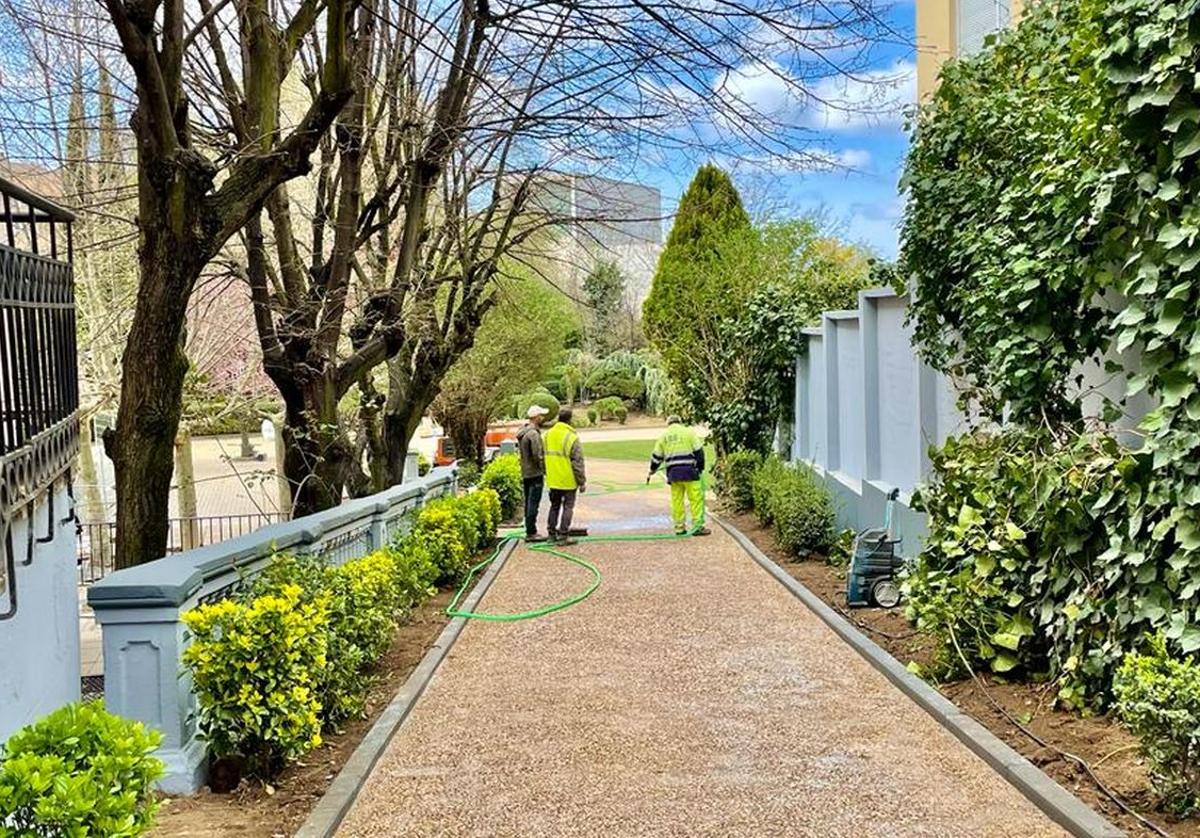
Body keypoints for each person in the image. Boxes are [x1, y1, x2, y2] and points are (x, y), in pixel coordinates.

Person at [648, 415, 710, 536]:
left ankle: (679, 528)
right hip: (690, 472)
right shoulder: (688, 432)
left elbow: (656, 456)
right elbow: (699, 451)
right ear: (679, 422)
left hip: (674, 474)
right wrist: (700, 467)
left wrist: (652, 470)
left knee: (677, 501)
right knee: (695, 499)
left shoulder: (663, 436)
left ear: (668, 424)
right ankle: (697, 527)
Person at [543, 407, 586, 545]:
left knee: (554, 506)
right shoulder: (572, 437)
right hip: (568, 480)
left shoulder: (547, 435)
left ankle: (551, 535)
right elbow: (577, 462)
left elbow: (542, 457)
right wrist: (582, 482)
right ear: (570, 420)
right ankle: (563, 535)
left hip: (553, 479)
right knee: (568, 507)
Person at [516, 404, 549, 541]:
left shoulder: (523, 432)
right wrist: (545, 470)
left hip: (526, 472)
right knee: (533, 503)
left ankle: (529, 530)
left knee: (528, 502)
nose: (543, 417)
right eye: (541, 415)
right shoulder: (533, 434)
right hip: (535, 473)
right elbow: (538, 455)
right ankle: (531, 532)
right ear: (536, 417)